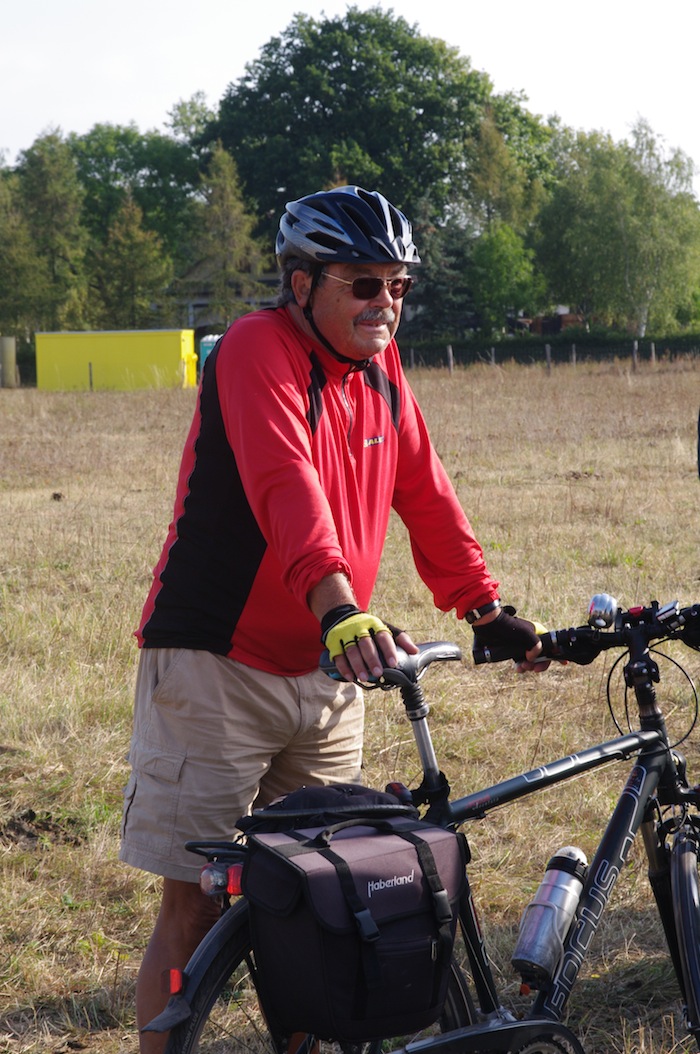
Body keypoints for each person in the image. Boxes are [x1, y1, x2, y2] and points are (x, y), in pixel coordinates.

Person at [119, 184, 545, 1052]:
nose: (384, 302)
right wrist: (340, 605)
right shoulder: (252, 348)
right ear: (301, 282)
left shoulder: (381, 373)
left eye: (398, 285)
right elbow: (288, 489)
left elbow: (425, 492)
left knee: (318, 896)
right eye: (362, 282)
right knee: (195, 901)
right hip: (216, 663)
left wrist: (482, 604)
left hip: (326, 671)